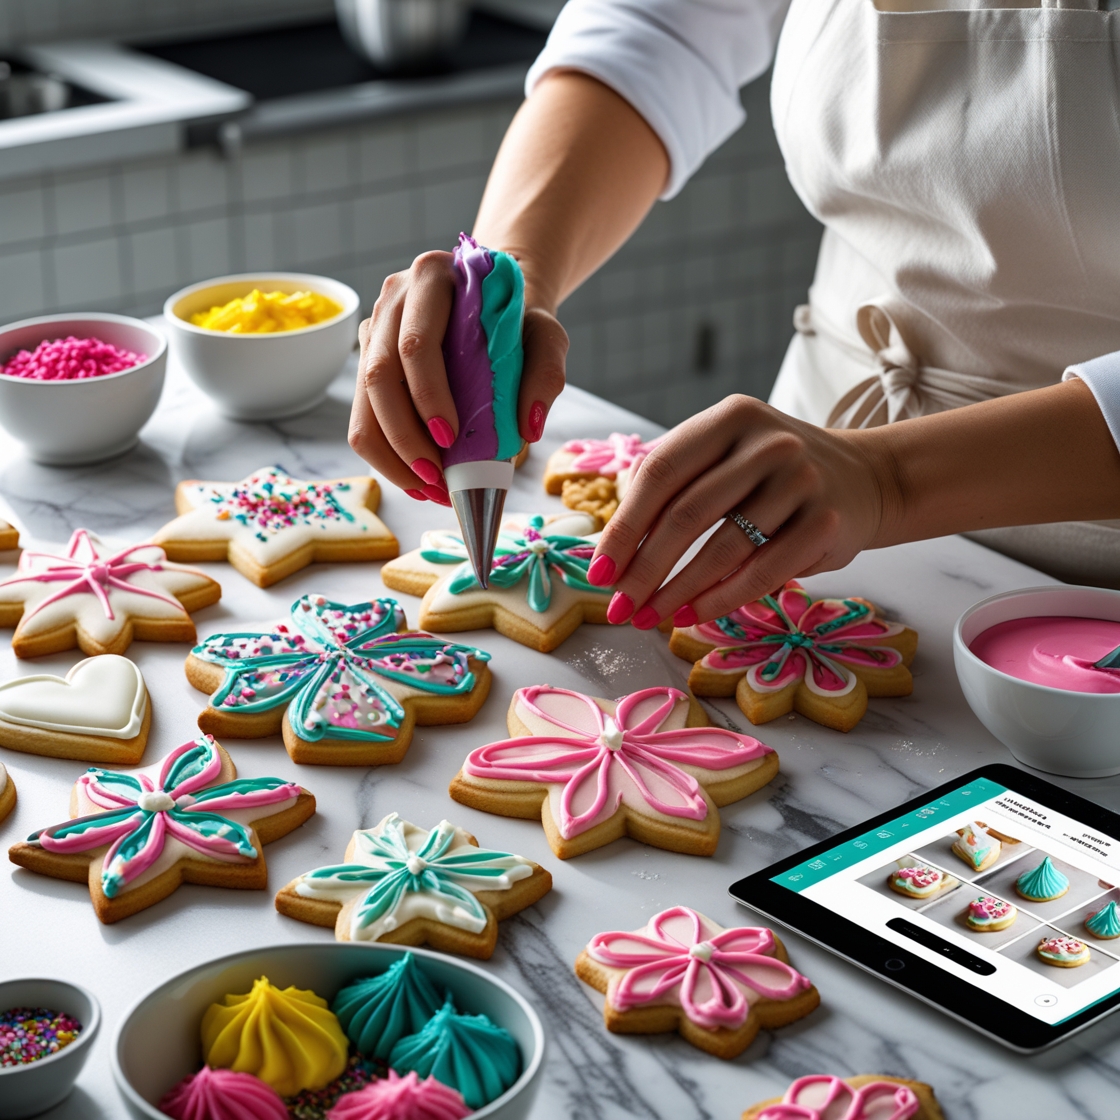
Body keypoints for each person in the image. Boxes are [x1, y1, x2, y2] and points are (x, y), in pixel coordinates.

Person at [347, 0, 1120, 629]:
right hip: (796, 502)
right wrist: (506, 288)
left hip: (1087, 556)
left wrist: (888, 480)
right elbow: (658, 26)